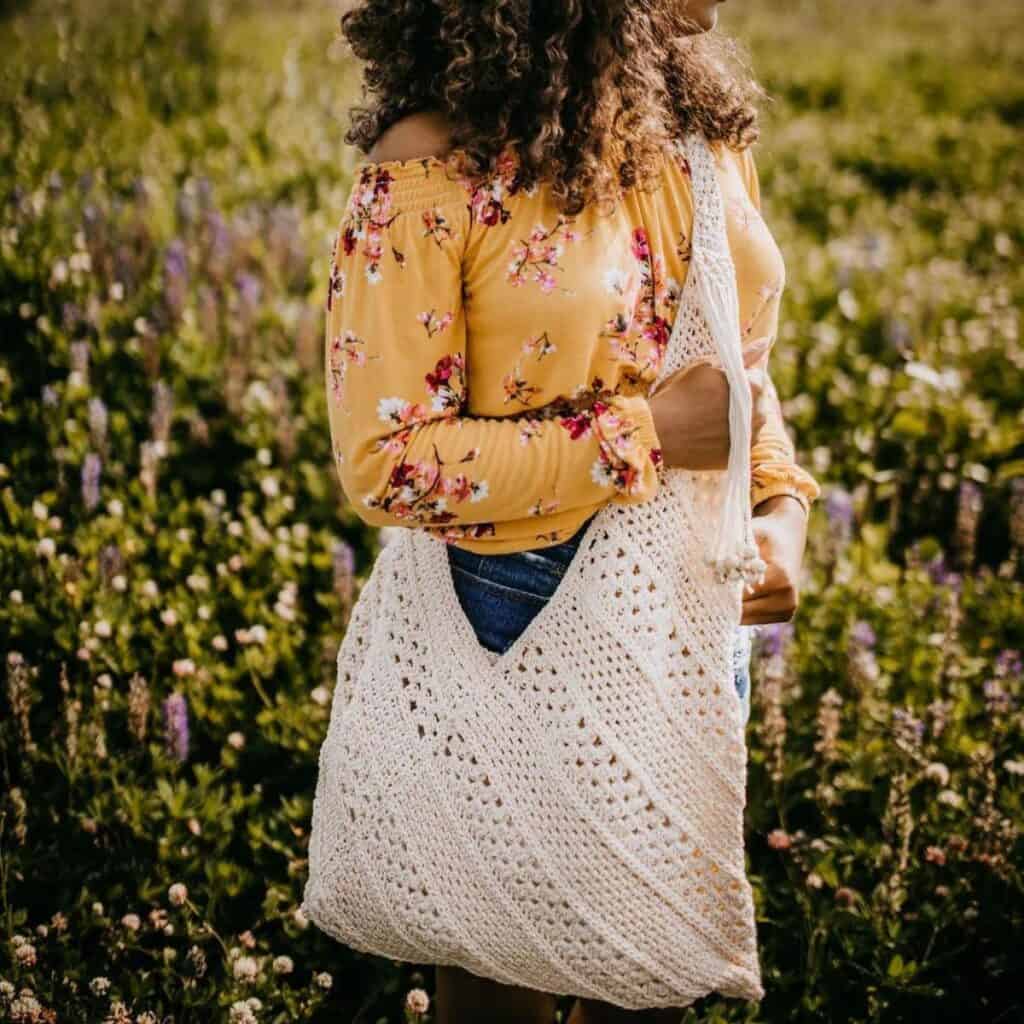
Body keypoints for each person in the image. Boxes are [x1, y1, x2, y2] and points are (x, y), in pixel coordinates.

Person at [323, 0, 820, 1020]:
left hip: (692, 595)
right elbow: (388, 460)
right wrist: (642, 436)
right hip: (513, 607)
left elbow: (740, 368)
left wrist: (778, 504)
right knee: (503, 961)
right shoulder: (430, 163)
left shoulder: (698, 121)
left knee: (651, 975)